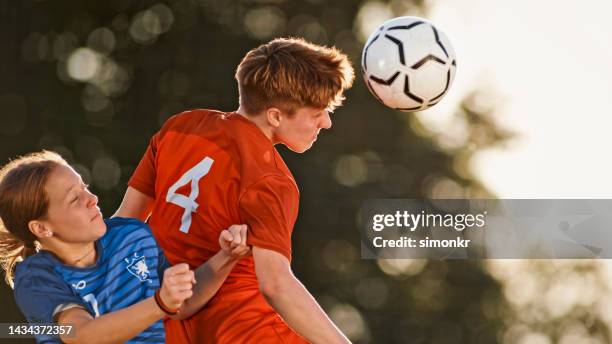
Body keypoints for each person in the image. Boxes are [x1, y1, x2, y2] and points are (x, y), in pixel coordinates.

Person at [115, 37, 355, 343]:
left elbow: (124, 224)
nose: (327, 122)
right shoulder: (271, 179)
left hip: (161, 324)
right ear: (276, 116)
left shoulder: (179, 126)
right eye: (317, 112)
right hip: (241, 327)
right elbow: (276, 285)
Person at [0, 151, 250, 343]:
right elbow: (81, 334)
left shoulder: (132, 235)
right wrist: (160, 303)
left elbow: (181, 304)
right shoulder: (35, 277)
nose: (92, 199)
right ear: (41, 229)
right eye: (75, 198)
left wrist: (227, 256)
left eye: (84, 187)